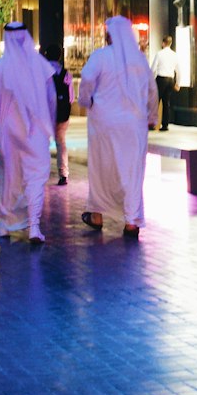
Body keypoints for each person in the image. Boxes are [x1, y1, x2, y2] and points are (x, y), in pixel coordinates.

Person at [78, 15, 159, 238]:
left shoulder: (101, 56)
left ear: (110, 35)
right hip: (134, 125)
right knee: (133, 172)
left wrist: (86, 100)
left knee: (102, 168)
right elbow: (153, 91)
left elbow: (86, 77)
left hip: (104, 124)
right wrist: (152, 116)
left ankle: (97, 215)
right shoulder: (139, 59)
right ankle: (131, 221)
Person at [0, 23, 56, 243]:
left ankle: (5, 224)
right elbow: (51, 100)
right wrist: (49, 128)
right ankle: (33, 227)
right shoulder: (41, 65)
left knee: (8, 180)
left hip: (9, 133)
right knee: (35, 178)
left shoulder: (0, 67)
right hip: (35, 133)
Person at [42, 44, 74, 184]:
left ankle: (43, 173)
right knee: (61, 143)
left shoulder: (42, 71)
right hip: (62, 115)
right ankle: (63, 174)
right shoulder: (66, 73)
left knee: (43, 143)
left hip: (46, 115)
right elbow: (71, 97)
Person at [150, 34, 179, 131]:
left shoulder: (159, 54)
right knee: (166, 102)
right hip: (170, 79)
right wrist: (178, 83)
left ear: (163, 43)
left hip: (161, 79)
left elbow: (153, 68)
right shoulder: (174, 55)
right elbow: (178, 70)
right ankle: (165, 125)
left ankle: (152, 123)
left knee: (155, 101)